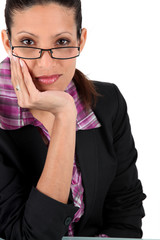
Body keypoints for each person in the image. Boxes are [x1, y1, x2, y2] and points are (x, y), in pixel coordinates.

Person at [0, 0, 146, 240]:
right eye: (28, 42)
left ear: (81, 40)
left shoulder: (108, 103)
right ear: (8, 42)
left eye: (62, 42)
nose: (46, 64)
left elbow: (126, 213)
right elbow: (32, 236)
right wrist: (65, 115)